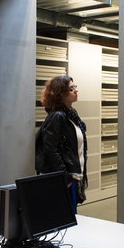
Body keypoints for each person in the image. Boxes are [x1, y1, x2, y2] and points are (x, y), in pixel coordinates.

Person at [36, 75, 88, 213]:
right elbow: (50, 149)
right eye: (71, 89)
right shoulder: (57, 116)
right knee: (64, 218)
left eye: (75, 87)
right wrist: (64, 177)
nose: (76, 91)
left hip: (72, 177)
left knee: (70, 216)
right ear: (61, 94)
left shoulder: (70, 114)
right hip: (63, 179)